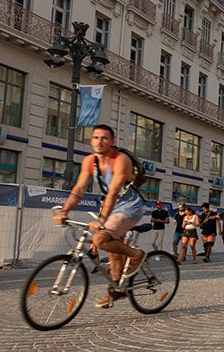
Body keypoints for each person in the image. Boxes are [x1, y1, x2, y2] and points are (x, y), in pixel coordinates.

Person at [55, 124, 148, 309]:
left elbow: (113, 191)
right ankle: (117, 289)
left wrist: (101, 220)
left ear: (112, 142)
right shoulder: (89, 161)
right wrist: (64, 211)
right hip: (110, 206)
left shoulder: (120, 160)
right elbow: (79, 188)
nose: (99, 141)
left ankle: (137, 255)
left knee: (99, 238)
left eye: (104, 138)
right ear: (91, 141)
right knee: (112, 250)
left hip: (130, 205)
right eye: (96, 137)